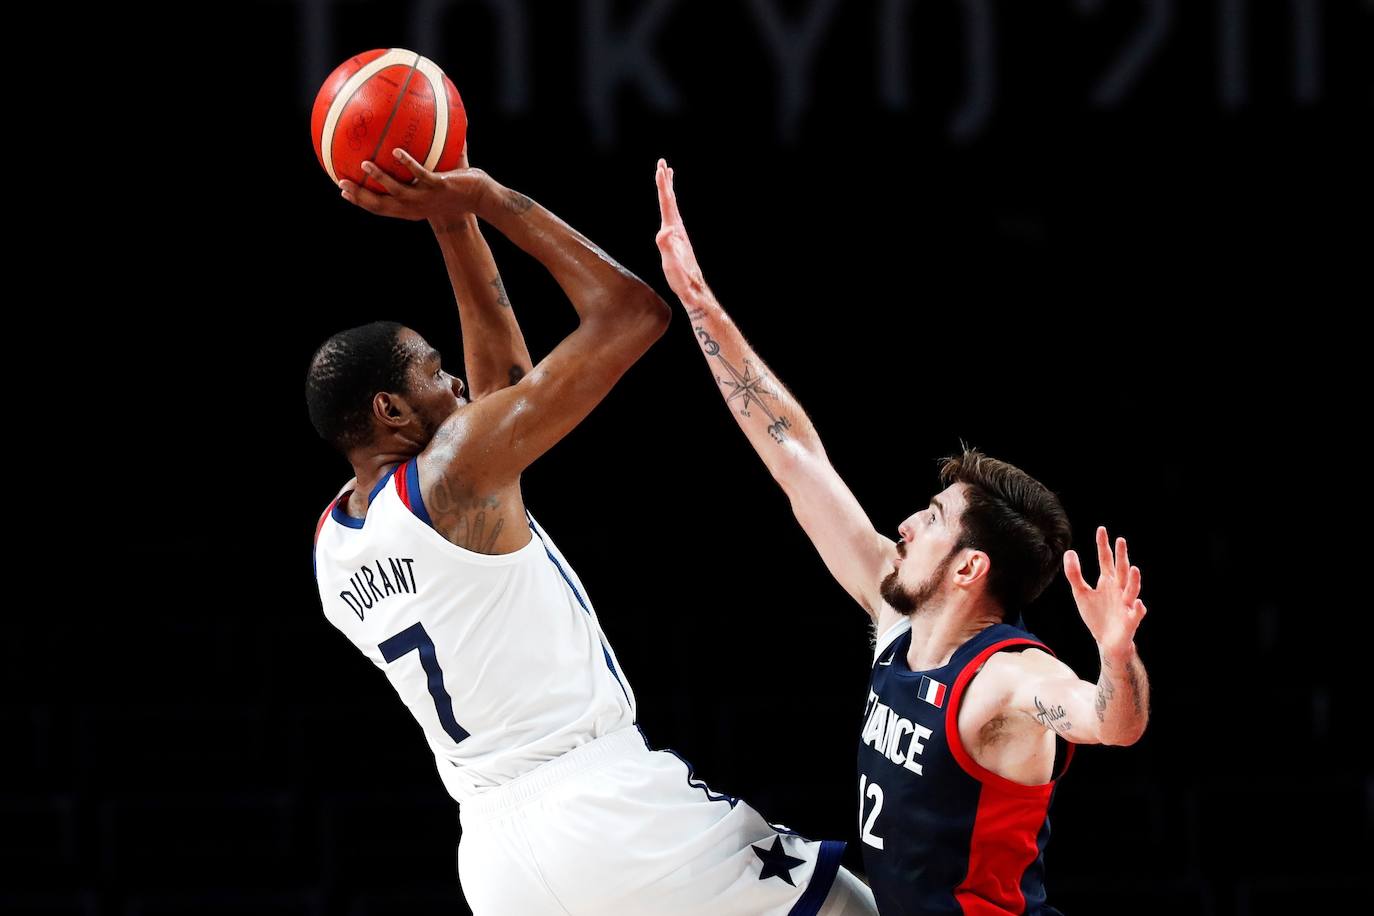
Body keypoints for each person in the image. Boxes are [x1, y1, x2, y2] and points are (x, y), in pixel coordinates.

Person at [307, 148, 877, 916]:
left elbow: (506, 388)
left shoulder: (333, 543)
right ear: (390, 411)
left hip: (494, 859)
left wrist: (452, 224)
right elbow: (632, 313)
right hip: (600, 804)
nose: (456, 384)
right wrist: (490, 197)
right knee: (850, 906)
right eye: (434, 372)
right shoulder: (450, 477)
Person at [652, 159, 1150, 916]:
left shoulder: (1006, 684)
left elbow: (1110, 722)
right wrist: (699, 304)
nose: (908, 524)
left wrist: (1117, 655)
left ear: (969, 568)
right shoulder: (899, 618)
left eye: (934, 519)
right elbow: (795, 456)